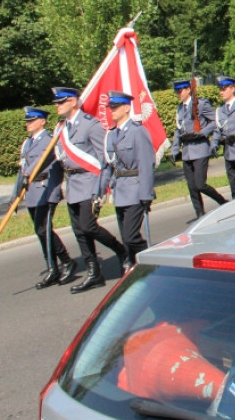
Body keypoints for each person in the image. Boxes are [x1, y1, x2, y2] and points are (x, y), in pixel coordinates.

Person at [51, 86, 127, 294]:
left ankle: (122, 251)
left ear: (74, 101)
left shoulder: (90, 125)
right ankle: (94, 273)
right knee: (79, 231)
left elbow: (104, 160)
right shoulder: (61, 128)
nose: (57, 106)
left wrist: (101, 189)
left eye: (61, 102)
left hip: (89, 181)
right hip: (72, 183)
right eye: (56, 103)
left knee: (89, 226)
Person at [16, 106, 76, 289]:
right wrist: (16, 194)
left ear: (42, 121)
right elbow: (22, 171)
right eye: (27, 121)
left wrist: (55, 193)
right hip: (32, 192)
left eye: (32, 120)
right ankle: (54, 266)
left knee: (44, 230)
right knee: (40, 230)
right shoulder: (27, 143)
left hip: (46, 189)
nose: (28, 124)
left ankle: (63, 262)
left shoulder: (50, 141)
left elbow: (56, 169)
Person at [101, 91, 155, 269]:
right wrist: (100, 192)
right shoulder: (112, 135)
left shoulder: (137, 132)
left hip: (135, 190)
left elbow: (146, 163)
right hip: (119, 190)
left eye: (115, 107)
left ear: (126, 107)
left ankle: (154, 260)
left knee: (131, 236)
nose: (112, 110)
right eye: (110, 107)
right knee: (126, 238)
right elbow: (109, 165)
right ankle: (134, 267)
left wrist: (146, 193)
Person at [171, 79, 228, 220]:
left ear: (188, 90)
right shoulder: (180, 109)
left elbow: (214, 121)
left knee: (200, 184)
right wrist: (174, 149)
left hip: (200, 148)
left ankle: (222, 202)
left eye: (181, 91)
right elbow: (178, 131)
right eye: (177, 91)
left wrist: (203, 132)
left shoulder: (200, 104)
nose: (179, 94)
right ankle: (199, 213)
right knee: (192, 186)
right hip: (187, 151)